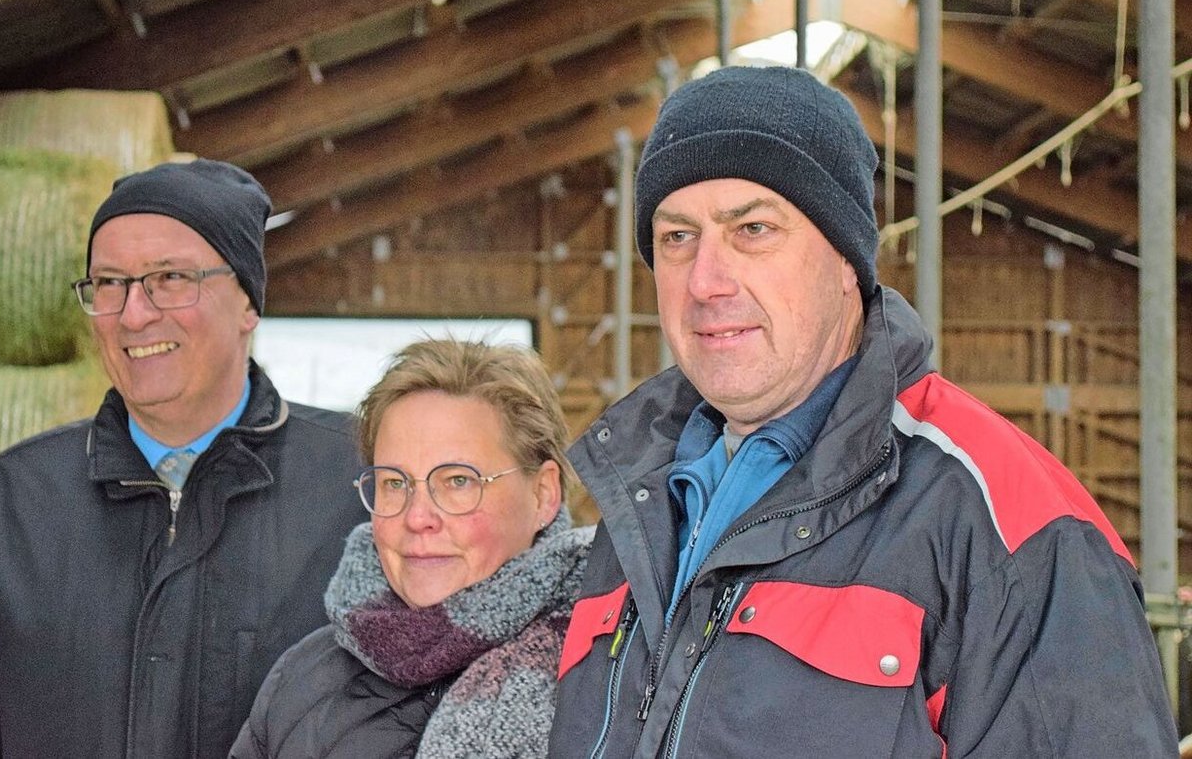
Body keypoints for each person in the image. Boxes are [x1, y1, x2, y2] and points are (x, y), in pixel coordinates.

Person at [548, 66, 1177, 758]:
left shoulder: (1006, 527)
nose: (704, 280)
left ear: (846, 260)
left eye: (753, 228)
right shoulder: (638, 504)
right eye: (676, 237)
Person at [0, 160, 368, 758]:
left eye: (170, 277)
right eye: (109, 283)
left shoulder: (361, 488)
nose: (133, 314)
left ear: (248, 304)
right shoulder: (1, 510)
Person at [230, 339, 594, 759]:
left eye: (458, 481)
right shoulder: (301, 682)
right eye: (395, 483)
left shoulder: (613, 674)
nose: (417, 517)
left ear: (543, 495)